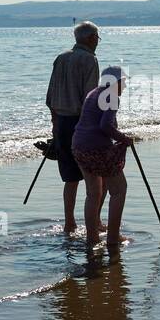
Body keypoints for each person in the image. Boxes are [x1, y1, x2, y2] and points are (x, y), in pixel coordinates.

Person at [71, 66, 137, 253]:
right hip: (96, 149)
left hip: (78, 146)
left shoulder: (93, 92)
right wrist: (124, 138)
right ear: (115, 82)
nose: (125, 86)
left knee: (93, 194)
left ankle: (92, 239)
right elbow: (105, 126)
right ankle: (113, 238)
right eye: (123, 82)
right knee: (119, 190)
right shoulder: (111, 96)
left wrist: (118, 136)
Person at [47, 21, 101, 233]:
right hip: (81, 124)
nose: (97, 42)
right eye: (97, 37)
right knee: (93, 178)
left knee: (70, 178)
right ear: (89, 38)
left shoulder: (61, 58)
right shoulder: (89, 59)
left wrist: (54, 126)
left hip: (60, 122)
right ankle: (94, 224)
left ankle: (69, 223)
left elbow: (50, 97)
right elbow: (90, 98)